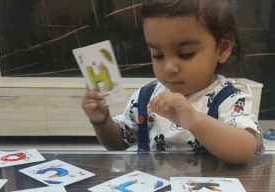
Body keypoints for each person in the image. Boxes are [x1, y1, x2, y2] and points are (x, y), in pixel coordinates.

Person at [82, 0, 265, 164]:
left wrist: (193, 119)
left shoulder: (229, 99)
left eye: (186, 54)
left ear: (222, 48)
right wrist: (101, 120)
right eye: (158, 55)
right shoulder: (145, 96)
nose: (169, 67)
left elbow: (246, 151)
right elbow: (118, 144)